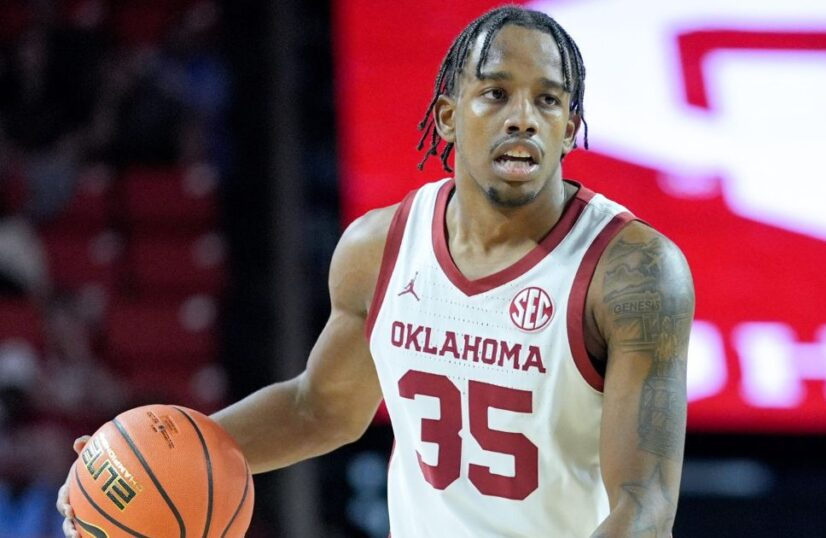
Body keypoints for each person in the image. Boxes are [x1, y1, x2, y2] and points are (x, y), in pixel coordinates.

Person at [57, 6, 695, 537]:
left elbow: (644, 508)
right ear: (448, 116)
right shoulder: (380, 247)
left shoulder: (633, 273)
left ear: (570, 128)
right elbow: (319, 409)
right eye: (496, 93)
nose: (523, 116)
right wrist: (145, 462)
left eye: (548, 100)